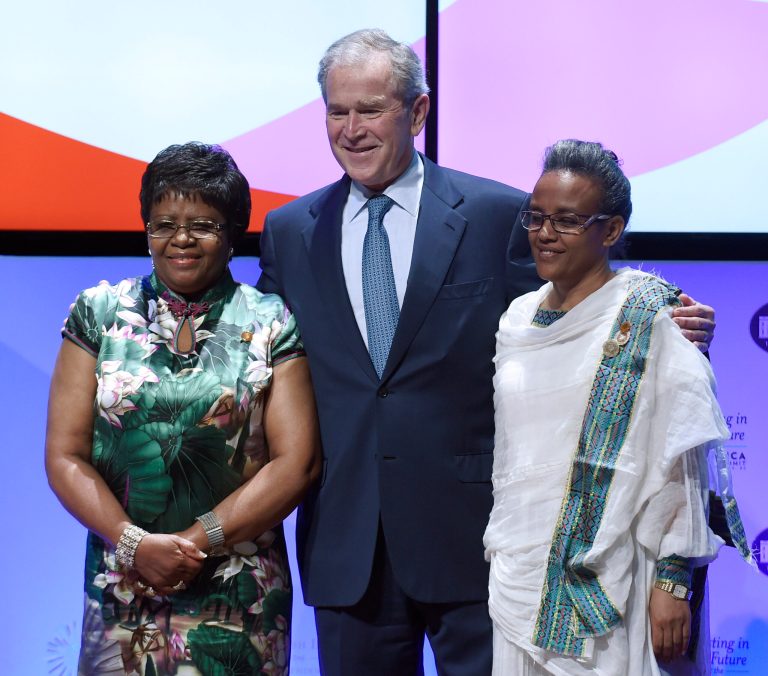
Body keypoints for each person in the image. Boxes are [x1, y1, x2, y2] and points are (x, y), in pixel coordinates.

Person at [257, 29, 717, 675]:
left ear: (417, 112)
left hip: (475, 538)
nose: (352, 129)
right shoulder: (289, 230)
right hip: (347, 540)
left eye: (371, 110)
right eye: (338, 111)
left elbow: (575, 315)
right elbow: (263, 358)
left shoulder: (497, 213)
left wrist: (663, 325)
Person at [45, 142, 320, 675]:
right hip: (123, 585)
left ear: (233, 231)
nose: (181, 239)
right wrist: (133, 543)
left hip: (238, 592)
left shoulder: (271, 320)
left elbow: (297, 463)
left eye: (203, 224)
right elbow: (64, 455)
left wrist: (195, 542)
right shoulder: (99, 312)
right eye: (164, 222)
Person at [483, 140, 751, 676]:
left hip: (618, 576)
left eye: (567, 220)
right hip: (519, 569)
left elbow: (681, 458)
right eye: (536, 217)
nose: (544, 233)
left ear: (610, 230)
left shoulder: (653, 313)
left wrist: (673, 580)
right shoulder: (516, 319)